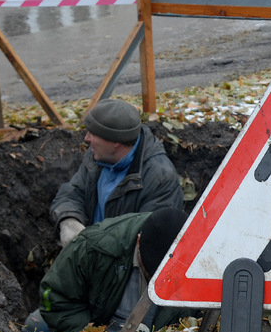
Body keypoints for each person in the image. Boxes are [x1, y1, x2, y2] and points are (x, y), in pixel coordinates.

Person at [25, 208, 197, 332]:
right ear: (138, 242)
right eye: (150, 273)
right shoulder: (96, 246)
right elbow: (56, 296)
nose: (155, 281)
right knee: (34, 325)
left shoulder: (201, 261)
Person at [50, 98, 184, 247]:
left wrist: (91, 250)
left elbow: (149, 242)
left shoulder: (160, 178)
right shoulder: (97, 156)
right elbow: (73, 192)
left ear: (116, 142)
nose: (86, 138)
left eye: (93, 134)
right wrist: (69, 220)